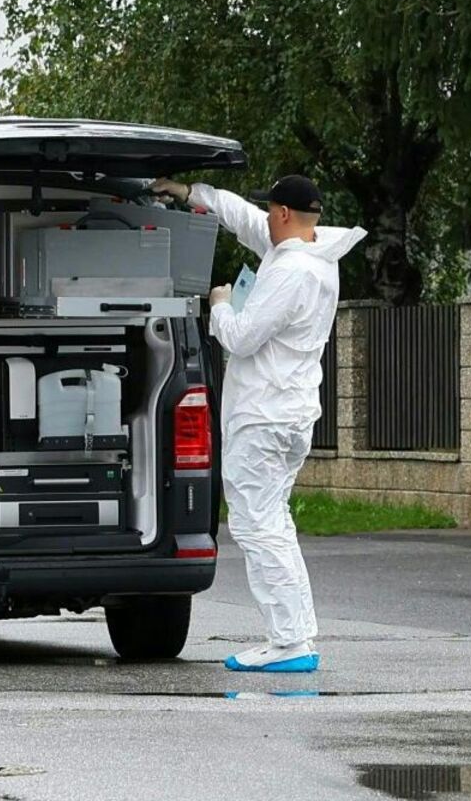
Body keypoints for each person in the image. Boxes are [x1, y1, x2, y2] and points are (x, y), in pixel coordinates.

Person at [151, 173, 365, 673]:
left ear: (284, 214)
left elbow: (242, 338)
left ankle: (288, 641)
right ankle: (297, 635)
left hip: (264, 418)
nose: (264, 219)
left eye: (271, 211)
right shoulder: (313, 253)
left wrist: (220, 306)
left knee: (257, 526)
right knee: (273, 523)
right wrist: (192, 194)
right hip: (287, 415)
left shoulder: (292, 274)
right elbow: (245, 218)